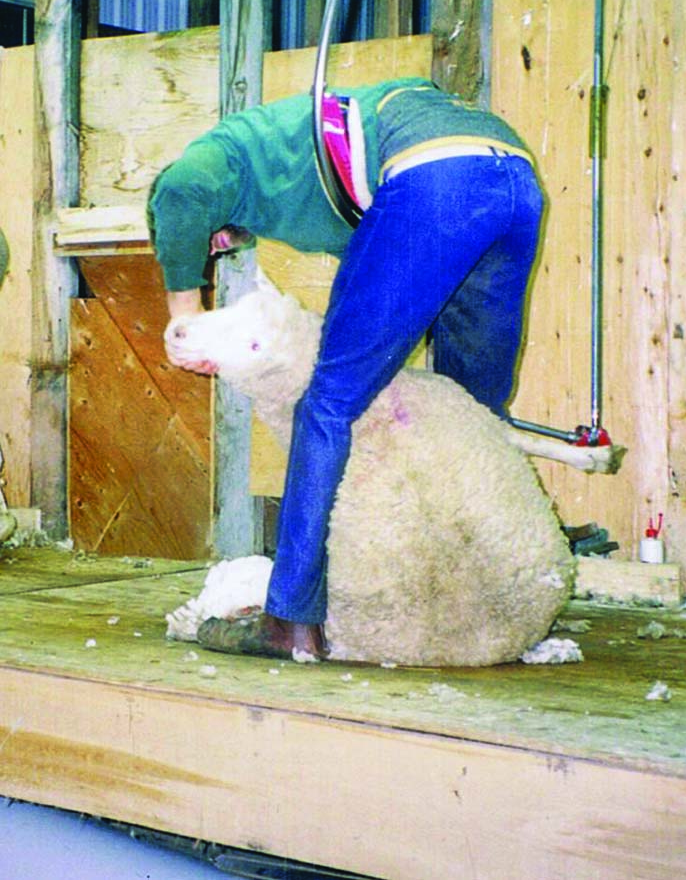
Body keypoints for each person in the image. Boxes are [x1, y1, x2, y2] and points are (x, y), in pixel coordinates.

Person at [148, 78, 543, 660]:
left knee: (326, 406)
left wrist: (185, 316)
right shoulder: (295, 183)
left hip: (433, 173)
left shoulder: (226, 149)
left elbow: (179, 192)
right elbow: (387, 275)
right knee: (469, 407)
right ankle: (487, 595)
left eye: (204, 243)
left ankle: (288, 620)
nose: (215, 248)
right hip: (511, 178)